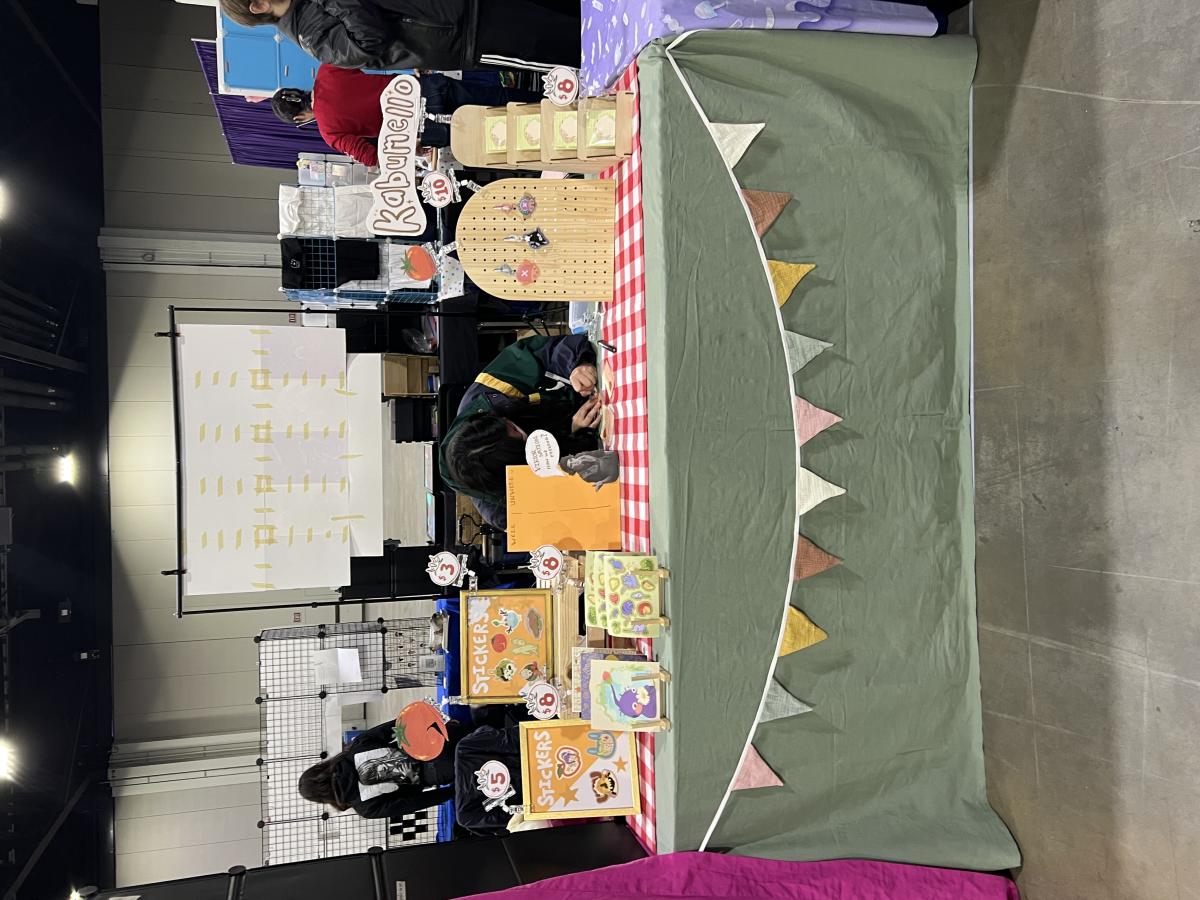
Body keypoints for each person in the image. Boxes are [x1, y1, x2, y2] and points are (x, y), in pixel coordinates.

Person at [439, 333, 600, 530]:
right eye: (521, 439)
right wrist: (573, 437)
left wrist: (575, 367)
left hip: (594, 389)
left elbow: (539, 353)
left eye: (511, 425)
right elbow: (582, 515)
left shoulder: (489, 396)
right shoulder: (506, 513)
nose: (522, 431)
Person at [271, 66, 540, 168]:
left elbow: (373, 157)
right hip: (426, 88)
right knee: (498, 98)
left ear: (299, 119)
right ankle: (550, 104)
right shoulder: (327, 71)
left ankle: (550, 141)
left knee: (495, 134)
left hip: (427, 127)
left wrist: (411, 147)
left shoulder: (329, 132)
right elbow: (376, 55)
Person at [220, 0, 581, 72]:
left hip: (467, 8)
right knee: (572, 43)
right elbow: (369, 40)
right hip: (466, 36)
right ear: (259, 5)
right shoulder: (312, 37)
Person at [297, 718, 469, 819]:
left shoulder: (366, 808)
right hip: (437, 740)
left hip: (441, 772)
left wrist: (453, 791)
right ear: (321, 768)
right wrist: (436, 723)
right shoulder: (355, 747)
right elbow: (397, 727)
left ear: (323, 798)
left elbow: (412, 803)